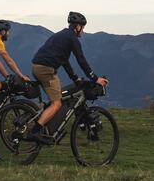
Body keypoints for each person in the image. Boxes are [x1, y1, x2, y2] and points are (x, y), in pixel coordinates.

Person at [29, 11, 108, 143]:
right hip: (45, 70)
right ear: (77, 27)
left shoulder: (62, 35)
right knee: (57, 103)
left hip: (38, 67)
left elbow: (64, 61)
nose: (83, 31)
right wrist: (95, 78)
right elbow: (81, 60)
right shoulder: (72, 38)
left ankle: (45, 123)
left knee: (56, 97)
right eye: (82, 27)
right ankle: (35, 132)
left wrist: (75, 78)